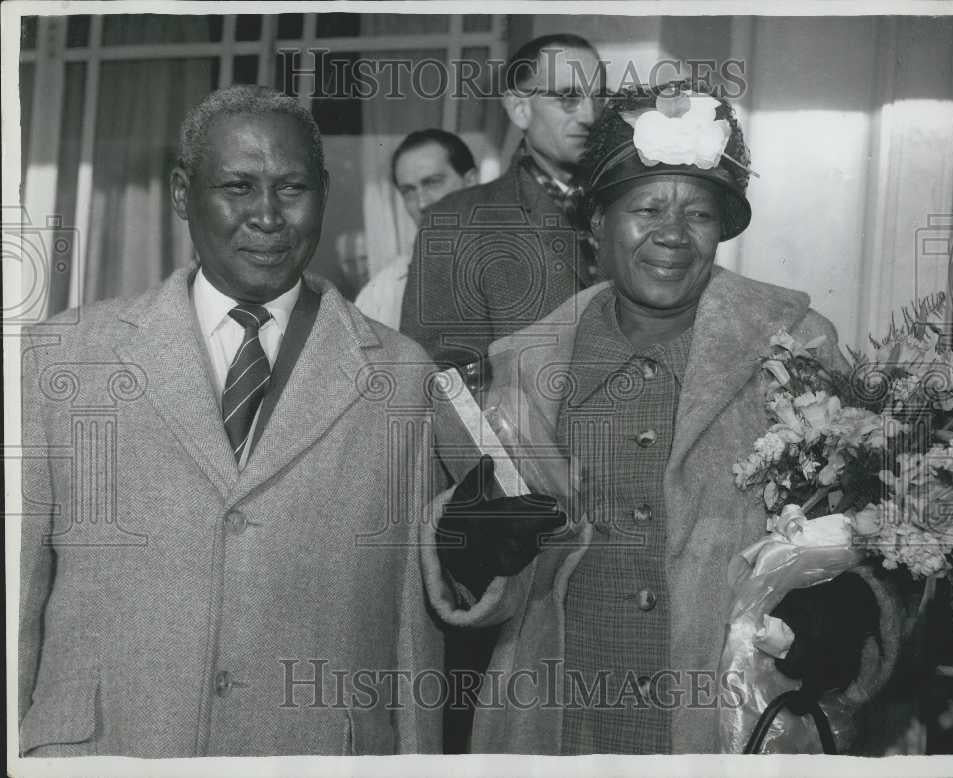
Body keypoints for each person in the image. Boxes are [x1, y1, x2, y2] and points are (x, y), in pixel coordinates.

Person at [420, 85, 903, 754]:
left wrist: (850, 606)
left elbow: (878, 524)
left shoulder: (796, 348)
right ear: (596, 224)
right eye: (646, 209)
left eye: (700, 214)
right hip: (558, 723)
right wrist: (468, 544)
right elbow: (494, 577)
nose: (673, 235)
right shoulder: (525, 364)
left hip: (728, 723)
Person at [18, 86, 441, 757]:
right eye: (238, 187)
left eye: (292, 187)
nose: (267, 216)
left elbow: (413, 631)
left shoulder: (402, 375)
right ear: (183, 194)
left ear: (325, 193)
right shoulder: (61, 359)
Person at [399, 33, 606, 364]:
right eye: (568, 97)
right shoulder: (457, 223)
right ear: (520, 108)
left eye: (599, 98)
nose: (589, 116)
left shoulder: (630, 206)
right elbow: (444, 379)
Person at [355, 129, 478, 329]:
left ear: (471, 181)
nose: (421, 203)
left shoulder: (520, 265)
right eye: (408, 191)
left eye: (432, 183)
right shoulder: (381, 294)